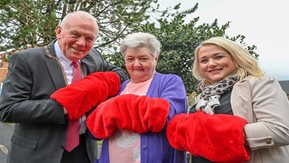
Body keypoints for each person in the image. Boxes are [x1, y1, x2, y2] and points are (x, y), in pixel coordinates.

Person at [0, 11, 128, 163]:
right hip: (38, 155)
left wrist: (94, 86)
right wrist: (65, 107)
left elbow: (120, 74)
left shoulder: (93, 56)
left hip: (84, 151)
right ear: (59, 31)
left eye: (89, 38)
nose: (81, 43)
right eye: (75, 34)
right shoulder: (27, 59)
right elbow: (7, 109)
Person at [166, 37, 289, 163]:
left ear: (236, 57)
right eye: (204, 60)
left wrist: (213, 133)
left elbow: (281, 130)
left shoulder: (260, 84)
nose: (211, 64)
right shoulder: (202, 97)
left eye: (218, 57)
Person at [83, 32, 188, 163]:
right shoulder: (118, 88)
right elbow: (94, 131)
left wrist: (116, 108)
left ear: (156, 58)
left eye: (143, 58)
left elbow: (167, 118)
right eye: (130, 59)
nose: (136, 64)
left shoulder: (170, 82)